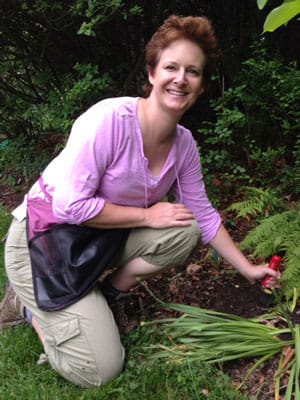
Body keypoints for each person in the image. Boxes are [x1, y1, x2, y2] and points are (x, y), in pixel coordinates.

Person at [0, 15, 280, 388]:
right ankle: (26, 305)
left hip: (96, 240)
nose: (181, 78)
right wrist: (147, 214)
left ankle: (106, 295)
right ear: (152, 73)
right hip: (42, 243)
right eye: (171, 67)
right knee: (100, 372)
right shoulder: (109, 120)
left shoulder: (184, 145)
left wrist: (247, 269)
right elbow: (69, 207)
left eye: (193, 71)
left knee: (185, 228)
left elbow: (203, 215)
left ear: (200, 86)